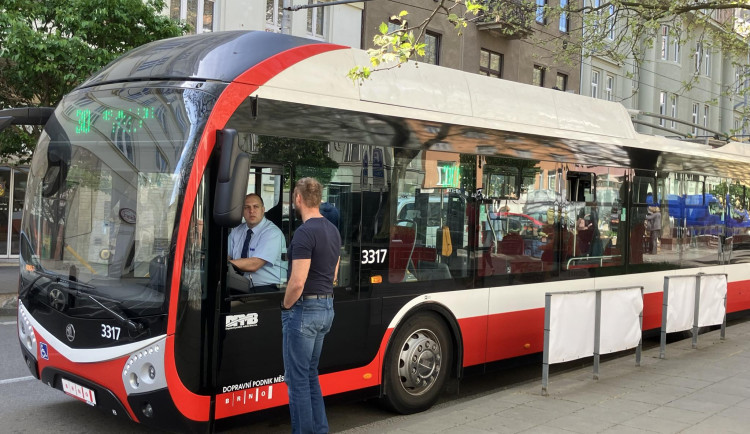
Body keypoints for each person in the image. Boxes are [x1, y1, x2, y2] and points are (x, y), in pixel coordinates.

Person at [281, 178, 341, 434]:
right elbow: (335, 275)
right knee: (310, 375)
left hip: (304, 311)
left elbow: (297, 282)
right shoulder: (332, 230)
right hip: (326, 308)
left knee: (297, 382)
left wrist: (285, 306)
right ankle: (320, 430)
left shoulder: (305, 233)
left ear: (298, 199)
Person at [228, 193, 285, 292]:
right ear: (242, 211)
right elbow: (226, 255)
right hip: (239, 285)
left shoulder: (272, 232)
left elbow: (254, 264)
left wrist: (226, 264)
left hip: (268, 288)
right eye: (246, 207)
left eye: (256, 207)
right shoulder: (237, 231)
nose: (251, 211)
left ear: (263, 210)